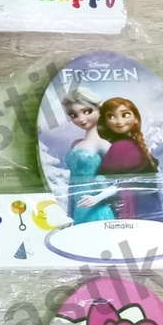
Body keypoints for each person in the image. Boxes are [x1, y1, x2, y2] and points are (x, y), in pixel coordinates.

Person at [96, 97, 161, 219]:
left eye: (125, 115)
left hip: (137, 205)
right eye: (111, 116)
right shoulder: (121, 147)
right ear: (105, 123)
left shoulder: (125, 146)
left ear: (136, 118)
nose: (119, 121)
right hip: (137, 205)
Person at [60, 86, 117, 223]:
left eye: (87, 111)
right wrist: (68, 214)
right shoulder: (75, 144)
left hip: (97, 210)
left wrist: (97, 198)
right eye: (74, 115)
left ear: (99, 111)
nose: (81, 119)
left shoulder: (103, 145)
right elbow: (72, 183)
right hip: (78, 211)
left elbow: (119, 183)